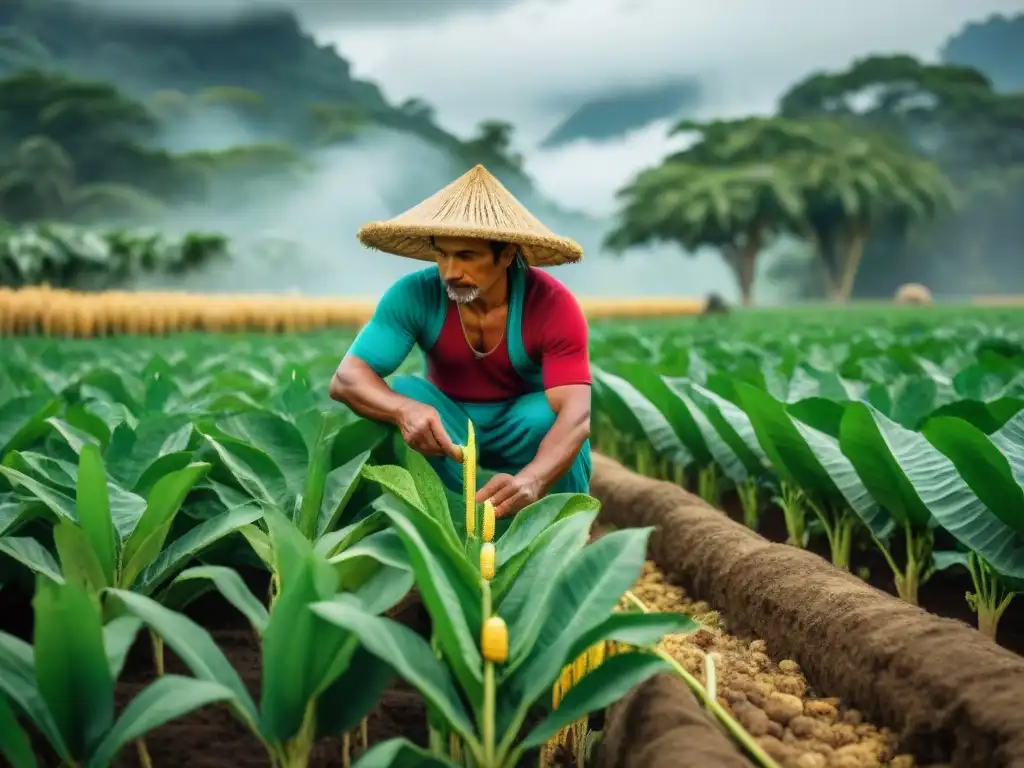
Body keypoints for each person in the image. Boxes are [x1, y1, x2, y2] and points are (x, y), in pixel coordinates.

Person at [329, 164, 592, 519]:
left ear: (507, 254)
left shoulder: (551, 304)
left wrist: (534, 478)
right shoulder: (414, 294)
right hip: (449, 428)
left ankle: (563, 537)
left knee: (552, 416)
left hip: (521, 425)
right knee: (405, 391)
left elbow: (577, 412)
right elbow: (347, 378)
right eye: (442, 253)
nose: (451, 271)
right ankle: (434, 531)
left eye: (467, 256)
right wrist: (403, 410)